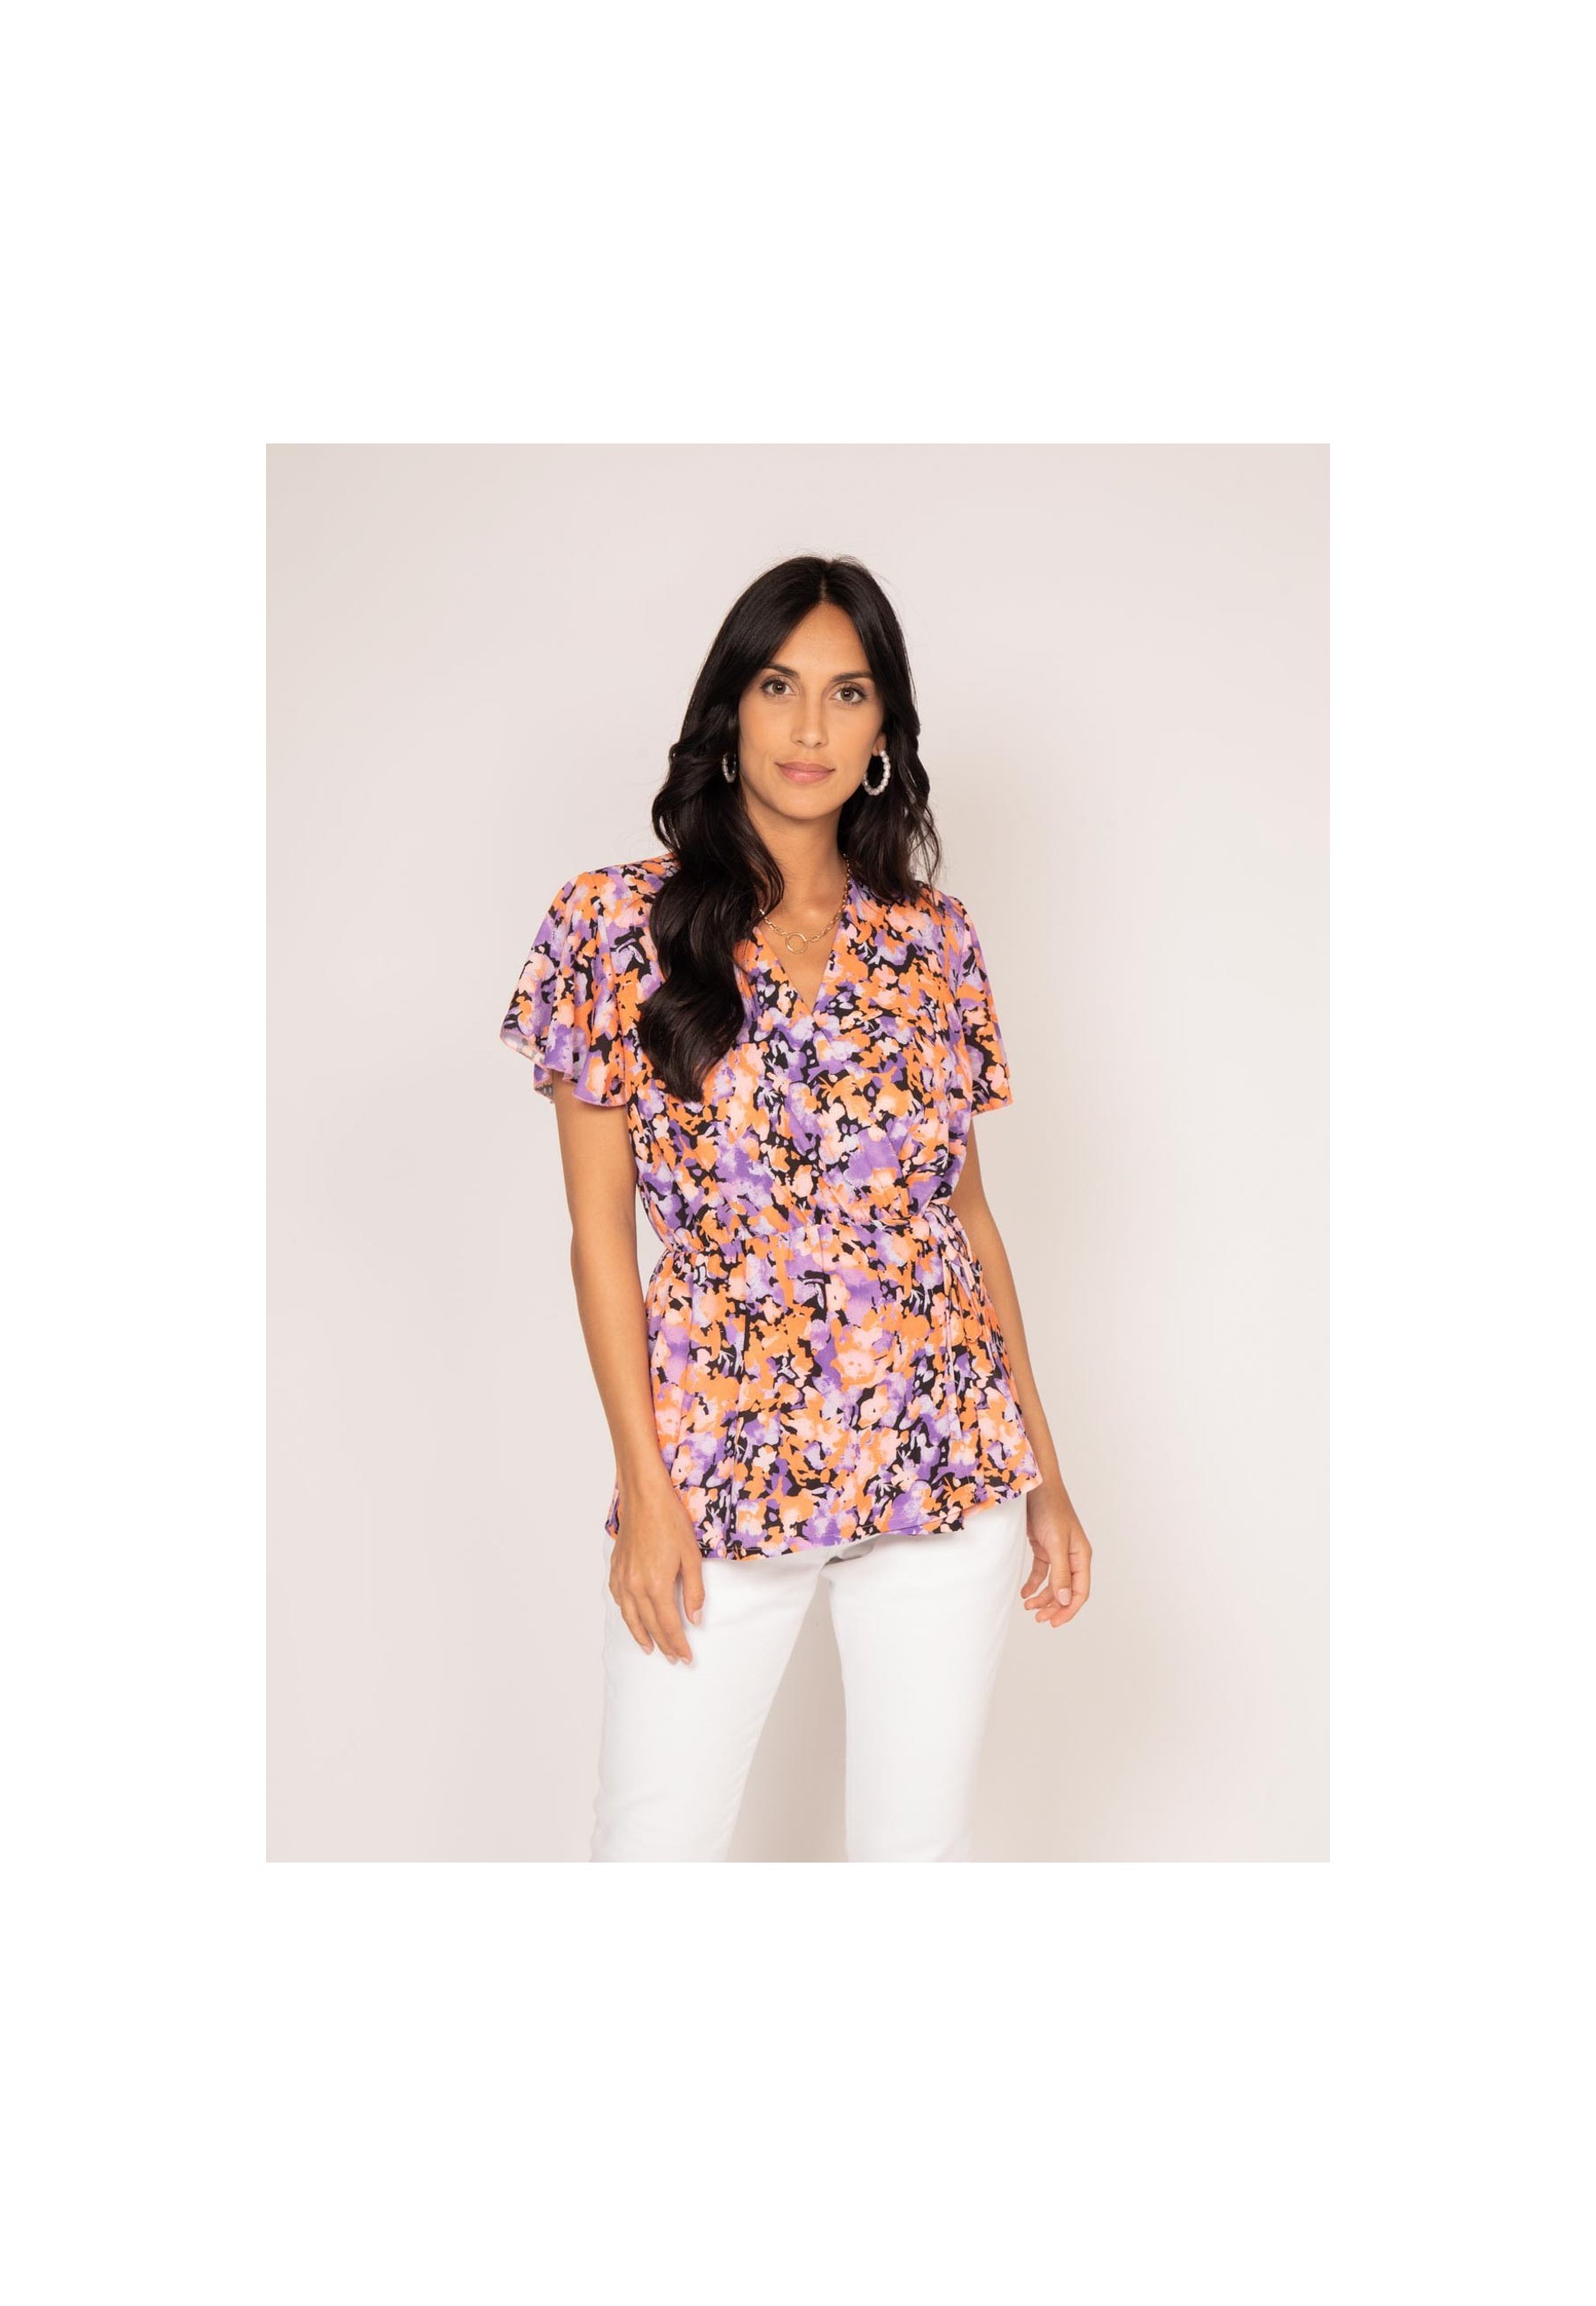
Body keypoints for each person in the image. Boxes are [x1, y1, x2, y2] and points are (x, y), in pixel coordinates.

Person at [499, 554, 1092, 1860]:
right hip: (718, 1461)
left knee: (911, 1860)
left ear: (886, 733)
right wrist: (644, 1491)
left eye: (848, 693)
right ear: (730, 710)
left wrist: (1044, 1475)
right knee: (650, 1846)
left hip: (947, 1451)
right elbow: (599, 1236)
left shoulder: (935, 941)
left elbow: (965, 1220)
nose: (811, 728)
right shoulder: (611, 925)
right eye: (779, 687)